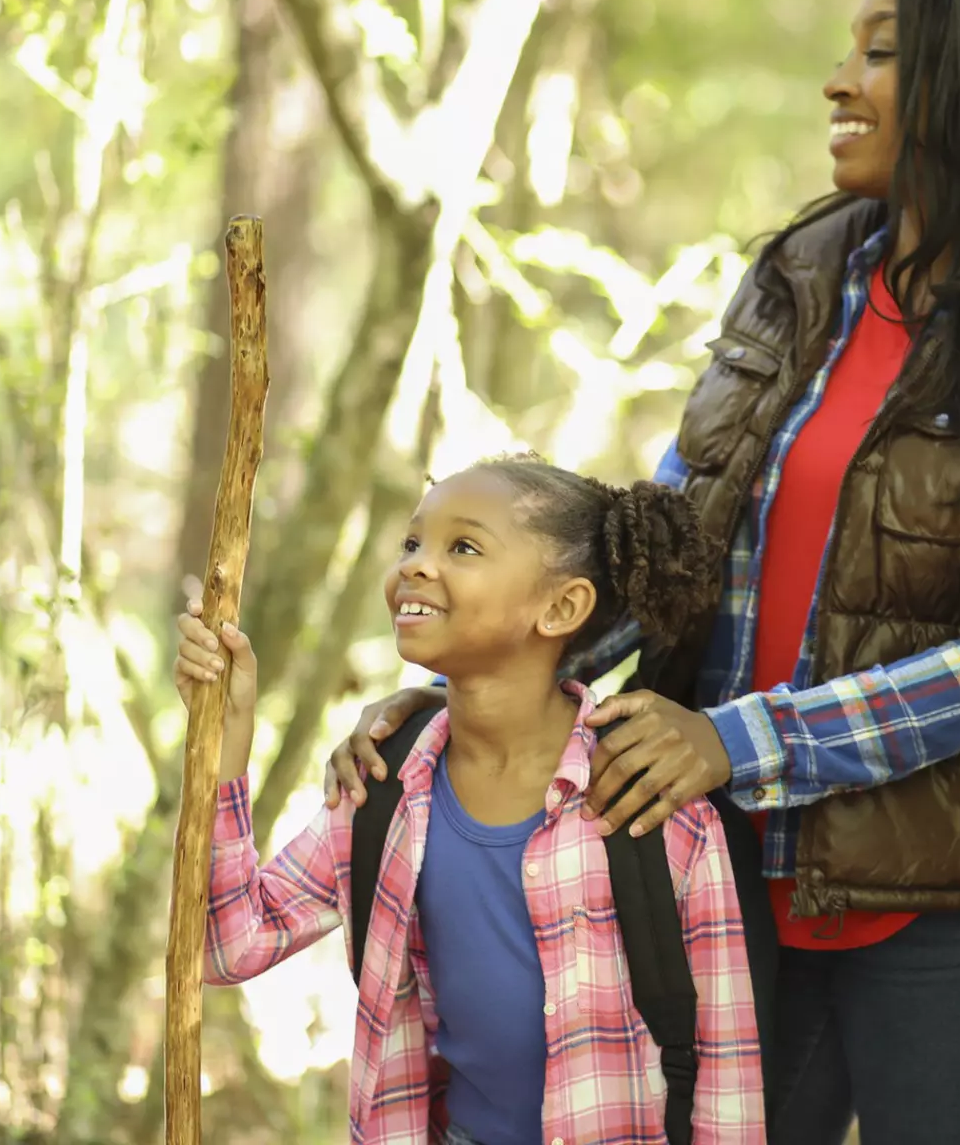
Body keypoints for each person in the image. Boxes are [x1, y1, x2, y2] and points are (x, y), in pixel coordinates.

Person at [323, 0, 960, 1144]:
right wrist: (481, 682)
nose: (837, 81)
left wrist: (731, 740)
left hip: (956, 900)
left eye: (880, 54)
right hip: (728, 874)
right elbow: (671, 543)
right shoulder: (800, 276)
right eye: (842, 50)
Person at [174, 457, 764, 1145]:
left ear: (560, 607)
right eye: (412, 544)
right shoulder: (379, 791)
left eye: (463, 547)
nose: (417, 566)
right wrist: (229, 733)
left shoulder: (653, 805)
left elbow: (729, 1075)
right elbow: (227, 948)